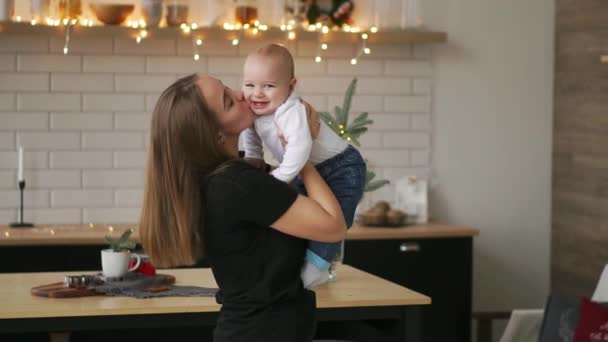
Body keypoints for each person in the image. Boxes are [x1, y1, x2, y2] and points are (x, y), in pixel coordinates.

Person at [139, 73, 346, 342]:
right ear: (214, 134)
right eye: (227, 101)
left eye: (227, 87)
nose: (241, 94)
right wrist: (299, 151)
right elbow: (333, 226)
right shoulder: (238, 184)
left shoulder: (223, 178)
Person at [240, 44, 367, 289]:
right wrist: (253, 157)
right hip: (305, 169)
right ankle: (297, 259)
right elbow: (251, 133)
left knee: (333, 219)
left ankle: (317, 267)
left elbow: (299, 147)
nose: (257, 94)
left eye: (268, 86)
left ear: (290, 86)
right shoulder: (256, 109)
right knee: (303, 213)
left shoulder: (291, 110)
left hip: (341, 167)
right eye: (249, 85)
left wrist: (278, 177)